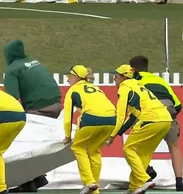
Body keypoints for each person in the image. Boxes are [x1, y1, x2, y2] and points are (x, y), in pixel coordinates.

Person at [3, 39, 62, 190]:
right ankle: (36, 178)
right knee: (34, 143)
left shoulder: (12, 70)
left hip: (39, 108)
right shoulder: (34, 62)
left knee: (21, 143)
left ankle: (29, 181)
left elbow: (11, 98)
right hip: (56, 104)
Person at [106, 64, 172, 194]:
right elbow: (132, 116)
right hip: (165, 120)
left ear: (123, 77)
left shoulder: (124, 88)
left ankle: (144, 179)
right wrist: (118, 133)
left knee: (128, 149)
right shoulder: (138, 86)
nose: (114, 78)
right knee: (143, 153)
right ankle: (135, 188)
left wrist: (111, 136)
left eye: (116, 76)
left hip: (151, 119)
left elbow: (120, 116)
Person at [129, 55, 182, 191]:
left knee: (137, 146)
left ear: (133, 69)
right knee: (174, 146)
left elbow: (134, 102)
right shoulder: (160, 80)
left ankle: (146, 171)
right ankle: (179, 181)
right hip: (169, 111)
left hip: (150, 112)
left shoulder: (134, 80)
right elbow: (177, 104)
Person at [63, 65, 116, 194]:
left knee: (77, 147)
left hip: (91, 119)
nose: (68, 80)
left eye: (69, 77)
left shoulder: (73, 90)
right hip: (112, 119)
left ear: (75, 77)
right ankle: (95, 189)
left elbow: (68, 117)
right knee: (94, 150)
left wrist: (68, 136)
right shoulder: (96, 88)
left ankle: (89, 182)